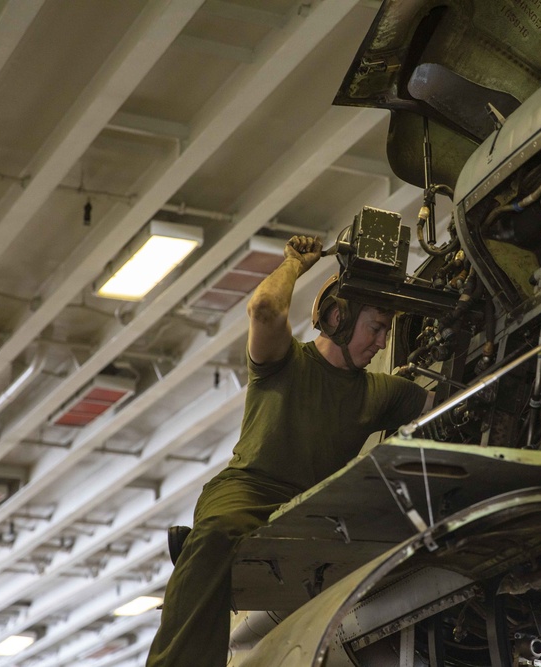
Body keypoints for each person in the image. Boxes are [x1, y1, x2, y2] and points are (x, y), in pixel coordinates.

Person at [146, 235, 429, 666]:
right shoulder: (284, 361)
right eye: (376, 328)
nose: (382, 342)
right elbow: (264, 309)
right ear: (337, 317)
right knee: (215, 536)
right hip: (249, 489)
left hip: (314, 505)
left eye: (387, 331)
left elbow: (444, 402)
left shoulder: (381, 392)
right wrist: (295, 264)